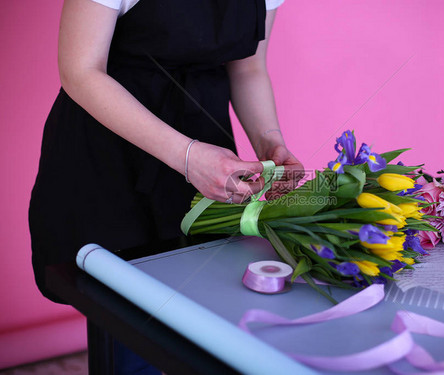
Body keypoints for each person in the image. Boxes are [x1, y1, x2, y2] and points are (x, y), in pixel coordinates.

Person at [29, 0, 302, 373]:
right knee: (123, 320)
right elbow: (80, 71)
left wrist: (271, 144)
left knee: (200, 308)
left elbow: (249, 68)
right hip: (108, 150)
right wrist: (187, 157)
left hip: (207, 146)